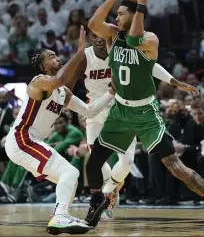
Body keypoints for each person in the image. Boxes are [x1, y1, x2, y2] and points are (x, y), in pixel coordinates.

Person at [85, 0, 204, 227]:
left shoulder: (150, 39)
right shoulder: (112, 36)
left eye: (121, 14)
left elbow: (135, 39)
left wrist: (142, 3)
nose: (116, 18)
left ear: (135, 15)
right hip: (120, 112)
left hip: (146, 113)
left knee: (176, 168)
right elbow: (94, 23)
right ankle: (96, 203)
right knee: (93, 164)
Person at [64, 27, 193, 219]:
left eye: (102, 35)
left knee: (127, 162)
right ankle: (108, 193)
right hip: (97, 112)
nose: (99, 39)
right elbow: (66, 84)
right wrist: (81, 108)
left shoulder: (119, 50)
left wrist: (173, 80)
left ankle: (111, 189)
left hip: (121, 111)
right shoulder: (85, 57)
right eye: (94, 36)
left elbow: (148, 64)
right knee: (96, 162)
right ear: (89, 38)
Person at [4, 26, 115, 235]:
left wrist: (111, 92)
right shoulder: (39, 82)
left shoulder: (62, 93)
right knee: (69, 172)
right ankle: (59, 216)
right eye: (51, 56)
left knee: (69, 177)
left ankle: (61, 215)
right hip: (22, 139)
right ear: (42, 65)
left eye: (56, 55)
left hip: (32, 142)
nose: (57, 58)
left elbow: (90, 112)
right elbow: (61, 79)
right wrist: (81, 51)